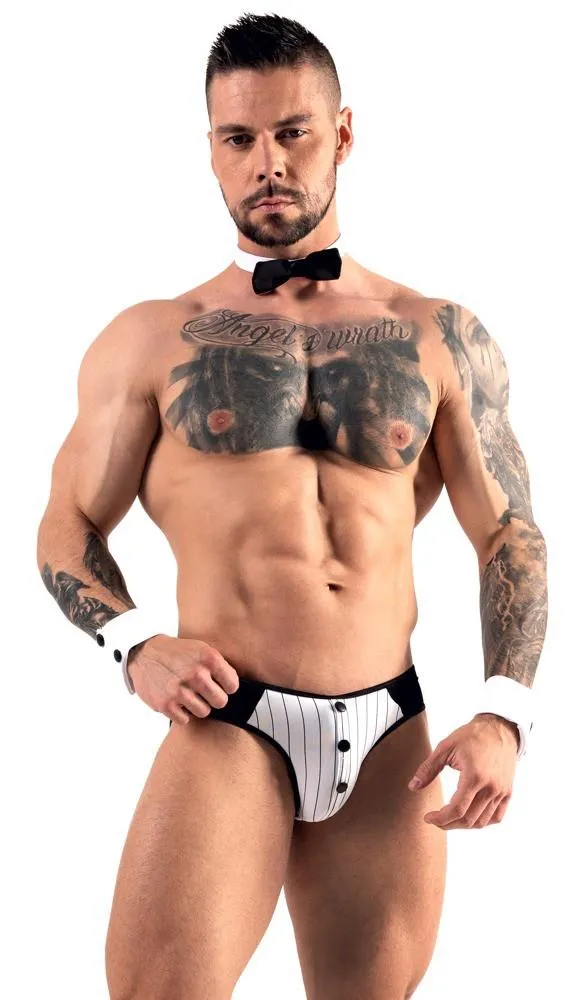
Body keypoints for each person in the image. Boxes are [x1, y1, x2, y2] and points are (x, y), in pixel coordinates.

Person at [36, 12, 548, 1000]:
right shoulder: (148, 339)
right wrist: (135, 644)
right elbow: (67, 524)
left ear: (342, 134)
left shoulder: (440, 334)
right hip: (229, 721)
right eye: (238, 138)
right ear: (211, 151)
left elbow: (506, 533)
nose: (265, 162)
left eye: (291, 132)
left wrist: (504, 711)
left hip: (392, 731)